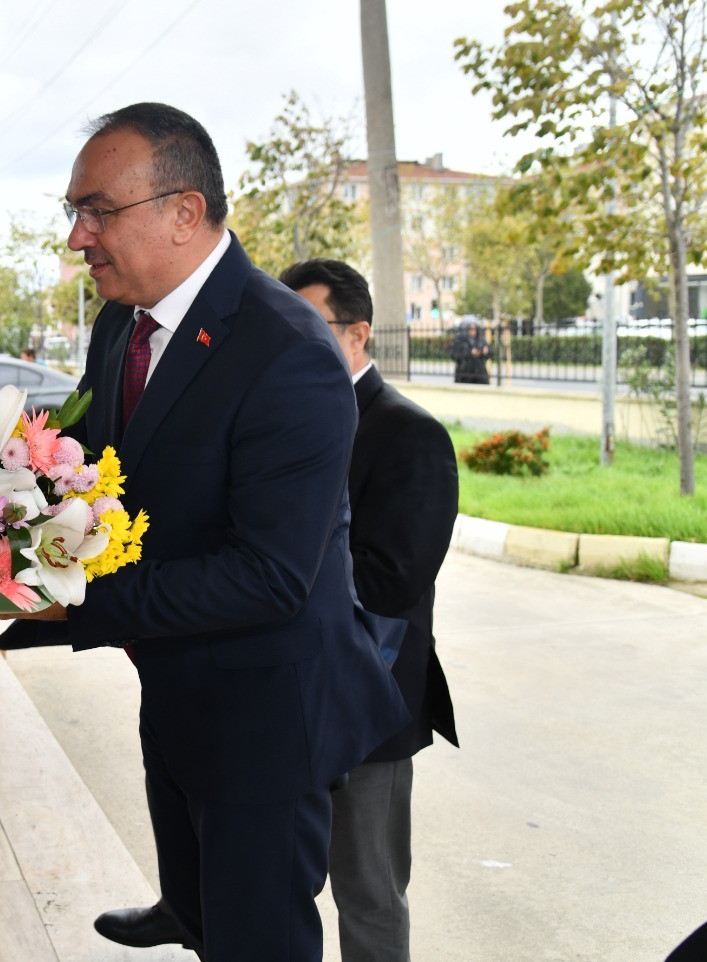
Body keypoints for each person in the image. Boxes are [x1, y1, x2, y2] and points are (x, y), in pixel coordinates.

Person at [14, 103, 407, 961]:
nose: (79, 237)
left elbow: (269, 576)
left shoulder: (286, 348)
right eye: (73, 213)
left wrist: (66, 604)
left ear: (183, 212)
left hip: (269, 716)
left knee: (258, 939)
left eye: (97, 211)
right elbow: (100, 477)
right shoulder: (123, 320)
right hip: (180, 689)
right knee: (203, 919)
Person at [281, 259, 461, 962]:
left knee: (369, 891)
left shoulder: (407, 434)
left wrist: (276, 574)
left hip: (369, 700)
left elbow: (393, 579)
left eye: (310, 326)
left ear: (358, 334)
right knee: (276, 881)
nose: (292, 340)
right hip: (281, 696)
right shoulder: (287, 427)